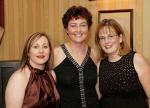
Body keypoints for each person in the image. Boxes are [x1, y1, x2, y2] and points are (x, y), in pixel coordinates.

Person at [95, 18, 150, 108]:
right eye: (102, 38)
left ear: (120, 38)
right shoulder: (100, 65)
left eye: (110, 36)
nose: (106, 41)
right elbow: (96, 97)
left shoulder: (136, 59)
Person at [53, 5, 100, 108]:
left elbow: (98, 88)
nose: (78, 30)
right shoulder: (56, 53)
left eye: (83, 25)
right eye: (73, 25)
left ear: (88, 28)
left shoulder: (94, 54)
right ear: (66, 29)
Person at [5, 32, 60, 108]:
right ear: (28, 52)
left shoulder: (52, 74)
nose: (41, 51)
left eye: (45, 46)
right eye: (35, 47)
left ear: (50, 51)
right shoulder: (18, 78)